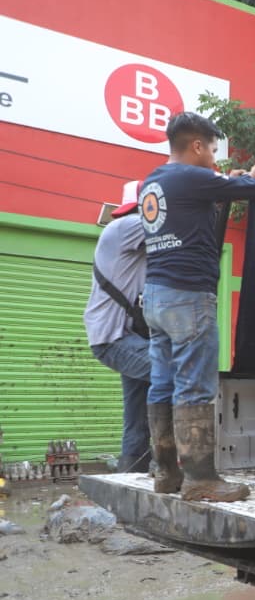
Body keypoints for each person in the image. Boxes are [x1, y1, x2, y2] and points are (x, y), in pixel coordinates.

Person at [140, 112, 255, 502]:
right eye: (213, 150)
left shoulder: (154, 181)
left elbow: (218, 193)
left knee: (163, 383)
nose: (215, 159)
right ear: (196, 145)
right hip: (188, 297)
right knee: (194, 386)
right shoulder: (192, 177)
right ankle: (201, 479)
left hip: (156, 296)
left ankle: (165, 472)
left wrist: (239, 179)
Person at [85, 181, 151, 473]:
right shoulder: (129, 226)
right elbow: (178, 227)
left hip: (125, 336)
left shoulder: (129, 237)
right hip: (114, 338)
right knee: (174, 373)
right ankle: (175, 462)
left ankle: (131, 471)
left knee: (136, 411)